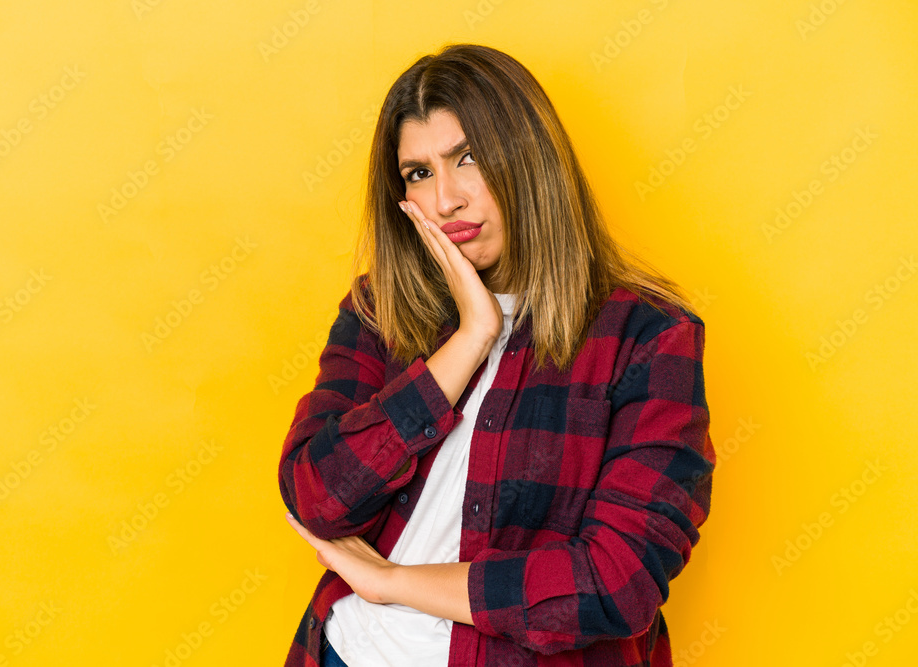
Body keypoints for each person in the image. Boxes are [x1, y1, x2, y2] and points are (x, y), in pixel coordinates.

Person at [278, 43, 715, 667]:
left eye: (468, 159)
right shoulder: (380, 309)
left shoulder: (648, 339)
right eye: (419, 173)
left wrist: (395, 584)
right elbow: (315, 494)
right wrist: (470, 338)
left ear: (528, 162)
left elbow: (615, 583)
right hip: (350, 651)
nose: (447, 199)